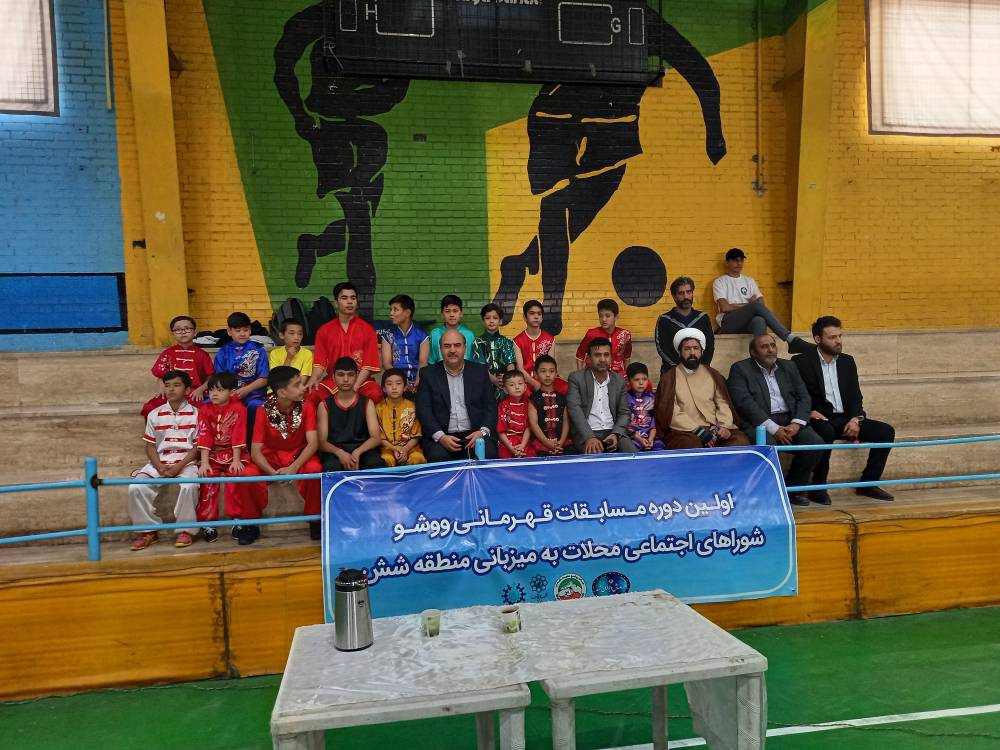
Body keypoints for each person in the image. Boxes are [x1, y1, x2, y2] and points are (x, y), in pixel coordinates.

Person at [793, 316, 896, 503]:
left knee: (886, 432)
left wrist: (856, 419)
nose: (838, 341)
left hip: (847, 418)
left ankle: (868, 484)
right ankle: (818, 487)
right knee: (825, 432)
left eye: (840, 336)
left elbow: (856, 396)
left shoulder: (847, 361)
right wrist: (808, 412)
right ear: (817, 339)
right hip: (820, 417)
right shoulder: (801, 362)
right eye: (832, 337)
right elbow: (795, 394)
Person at [727, 334, 824, 506]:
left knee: (814, 443)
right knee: (769, 447)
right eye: (764, 347)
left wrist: (796, 423)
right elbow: (744, 403)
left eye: (773, 345)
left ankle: (794, 490)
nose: (770, 350)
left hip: (790, 420)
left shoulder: (789, 366)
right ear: (753, 352)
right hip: (759, 423)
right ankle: (767, 495)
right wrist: (774, 429)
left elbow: (804, 397)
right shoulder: (740, 369)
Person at [240, 366, 323, 543]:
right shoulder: (263, 410)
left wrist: (294, 467)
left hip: (298, 457)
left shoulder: (307, 406)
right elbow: (255, 451)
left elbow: (313, 443)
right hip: (270, 459)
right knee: (248, 474)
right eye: (297, 384)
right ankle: (250, 523)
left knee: (315, 469)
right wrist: (272, 473)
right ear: (282, 392)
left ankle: (315, 520)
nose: (303, 387)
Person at [128, 371, 201, 551]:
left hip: (186, 463)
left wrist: (179, 466)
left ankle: (185, 530)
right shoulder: (154, 414)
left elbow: (197, 448)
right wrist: (159, 466)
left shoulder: (196, 414)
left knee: (189, 486)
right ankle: (148, 532)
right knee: (136, 487)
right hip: (159, 463)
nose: (171, 389)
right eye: (167, 386)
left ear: (187, 390)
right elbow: (150, 446)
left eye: (176, 385)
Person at [654, 328, 748, 450]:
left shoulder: (713, 374)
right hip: (686, 431)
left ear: (701, 351)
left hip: (715, 428)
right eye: (687, 349)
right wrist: (698, 431)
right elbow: (671, 412)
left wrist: (723, 426)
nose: (692, 352)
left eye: (696, 348)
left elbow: (722, 403)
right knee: (690, 445)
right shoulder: (670, 378)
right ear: (680, 352)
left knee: (739, 441)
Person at [416, 329, 498, 462]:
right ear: (440, 349)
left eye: (457, 345)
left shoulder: (480, 371)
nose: (452, 350)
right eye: (447, 346)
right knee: (437, 456)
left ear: (465, 348)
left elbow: (491, 407)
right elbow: (424, 410)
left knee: (488, 452)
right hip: (443, 436)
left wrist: (482, 432)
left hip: (475, 434)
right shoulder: (428, 374)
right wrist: (441, 436)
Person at [713, 249, 809, 353]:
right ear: (727, 262)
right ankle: (790, 339)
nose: (739, 263)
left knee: (759, 320)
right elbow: (725, 307)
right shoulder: (720, 282)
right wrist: (749, 305)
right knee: (755, 306)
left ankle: (761, 354)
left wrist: (741, 306)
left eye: (741, 260)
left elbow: (761, 304)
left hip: (748, 323)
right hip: (728, 322)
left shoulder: (749, 281)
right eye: (735, 260)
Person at [307, 281, 383, 404]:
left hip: (361, 380)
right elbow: (319, 363)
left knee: (375, 393)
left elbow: (368, 365)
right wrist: (313, 378)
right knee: (312, 395)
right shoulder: (324, 330)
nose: (349, 302)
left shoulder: (368, 330)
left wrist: (354, 387)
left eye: (353, 298)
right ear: (336, 302)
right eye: (344, 298)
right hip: (333, 381)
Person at [195, 372, 247, 543]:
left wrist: (236, 460)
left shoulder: (239, 408)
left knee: (236, 477)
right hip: (212, 454)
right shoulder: (204, 409)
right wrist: (204, 462)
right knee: (207, 477)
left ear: (231, 392)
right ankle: (208, 522)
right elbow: (204, 435)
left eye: (220, 390)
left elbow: (239, 434)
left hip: (235, 454)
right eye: (211, 390)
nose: (214, 394)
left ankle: (237, 519)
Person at [566, 337, 637, 454]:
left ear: (611, 358)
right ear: (589, 358)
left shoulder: (619, 381)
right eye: (597, 355)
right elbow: (574, 410)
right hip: (587, 433)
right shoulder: (577, 378)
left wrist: (616, 433)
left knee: (632, 454)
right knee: (596, 457)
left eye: (606, 355)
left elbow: (624, 412)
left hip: (613, 431)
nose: (602, 359)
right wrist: (589, 437)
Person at [317, 356, 386, 472]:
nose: (345, 379)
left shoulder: (367, 403)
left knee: (376, 464)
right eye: (341, 375)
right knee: (331, 467)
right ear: (333, 377)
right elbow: (322, 443)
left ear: (356, 376)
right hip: (335, 452)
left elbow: (376, 438)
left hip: (363, 449)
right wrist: (340, 453)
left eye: (350, 375)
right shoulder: (324, 405)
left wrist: (357, 452)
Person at [141, 315, 214, 418]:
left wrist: (201, 390)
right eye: (178, 330)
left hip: (194, 393)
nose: (183, 332)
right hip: (172, 392)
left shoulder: (202, 354)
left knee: (206, 410)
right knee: (149, 408)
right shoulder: (167, 353)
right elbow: (160, 376)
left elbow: (210, 377)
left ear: (195, 332)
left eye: (187, 328)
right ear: (173, 334)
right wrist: (163, 388)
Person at [214, 311, 269, 442]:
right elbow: (219, 379)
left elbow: (264, 379)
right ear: (229, 331)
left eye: (246, 330)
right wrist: (230, 393)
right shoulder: (223, 352)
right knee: (208, 405)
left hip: (254, 394)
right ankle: (222, 444)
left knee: (256, 406)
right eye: (238, 330)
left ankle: (252, 442)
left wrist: (246, 390)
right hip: (229, 393)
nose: (242, 334)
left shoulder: (259, 350)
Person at [654, 276, 715, 372]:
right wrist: (680, 369)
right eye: (681, 293)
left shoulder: (703, 318)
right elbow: (662, 348)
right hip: (672, 372)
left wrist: (701, 368)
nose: (686, 296)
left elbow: (709, 347)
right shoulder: (665, 320)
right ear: (674, 296)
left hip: (700, 371)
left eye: (689, 292)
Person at [375, 368, 426, 466]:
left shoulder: (412, 407)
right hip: (387, 448)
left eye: (398, 384)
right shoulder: (378, 408)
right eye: (389, 384)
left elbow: (416, 435)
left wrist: (405, 449)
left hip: (410, 448)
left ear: (405, 387)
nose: (394, 387)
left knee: (417, 458)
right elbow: (379, 437)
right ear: (384, 389)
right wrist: (394, 448)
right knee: (386, 460)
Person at [379, 294, 429, 392]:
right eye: (391, 310)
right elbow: (387, 364)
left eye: (395, 310)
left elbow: (423, 363)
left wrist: (418, 381)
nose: (391, 313)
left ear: (407, 313)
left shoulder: (422, 335)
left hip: (418, 379)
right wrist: (401, 382)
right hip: (395, 381)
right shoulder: (388, 335)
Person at [575, 299, 632, 379]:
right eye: (601, 316)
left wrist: (627, 376)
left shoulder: (625, 335)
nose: (604, 319)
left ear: (616, 317)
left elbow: (627, 357)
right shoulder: (591, 334)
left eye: (607, 316)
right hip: (594, 376)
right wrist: (581, 379)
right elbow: (580, 357)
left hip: (618, 377)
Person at [528, 355, 572, 456]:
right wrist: (547, 443)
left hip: (563, 442)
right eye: (543, 371)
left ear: (556, 374)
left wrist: (561, 442)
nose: (547, 375)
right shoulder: (533, 399)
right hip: (541, 444)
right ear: (536, 374)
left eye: (551, 371)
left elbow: (566, 421)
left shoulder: (562, 397)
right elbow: (534, 424)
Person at [472, 303, 518, 399]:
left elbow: (511, 365)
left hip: (505, 385)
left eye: (495, 318)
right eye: (487, 318)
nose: (491, 321)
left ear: (500, 321)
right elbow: (480, 366)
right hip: (484, 384)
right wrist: (493, 379)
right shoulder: (477, 342)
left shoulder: (506, 341)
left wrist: (506, 378)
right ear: (483, 321)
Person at [514, 299, 558, 392]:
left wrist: (544, 383)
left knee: (564, 388)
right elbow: (520, 368)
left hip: (546, 380)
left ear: (542, 318)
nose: (536, 316)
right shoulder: (517, 341)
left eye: (539, 314)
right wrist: (534, 383)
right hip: (525, 381)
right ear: (525, 317)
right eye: (532, 313)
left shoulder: (550, 339)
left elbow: (550, 366)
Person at [624, 363, 663, 451]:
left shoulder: (652, 398)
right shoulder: (625, 398)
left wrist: (651, 438)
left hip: (651, 435)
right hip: (633, 437)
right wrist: (639, 439)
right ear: (628, 381)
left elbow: (655, 420)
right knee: (632, 448)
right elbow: (625, 423)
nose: (641, 383)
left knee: (659, 448)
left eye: (644, 379)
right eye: (636, 379)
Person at [428, 294, 476, 364]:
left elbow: (471, 360)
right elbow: (432, 361)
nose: (451, 315)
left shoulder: (469, 335)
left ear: (461, 313)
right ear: (442, 314)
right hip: (440, 370)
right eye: (447, 311)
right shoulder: (435, 334)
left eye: (455, 311)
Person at [497, 371, 535, 458]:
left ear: (525, 387)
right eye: (512, 385)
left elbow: (528, 427)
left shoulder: (528, 404)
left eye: (520, 383)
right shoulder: (503, 406)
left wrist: (522, 445)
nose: (517, 387)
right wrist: (511, 448)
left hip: (525, 442)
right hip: (507, 444)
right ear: (505, 390)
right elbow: (501, 431)